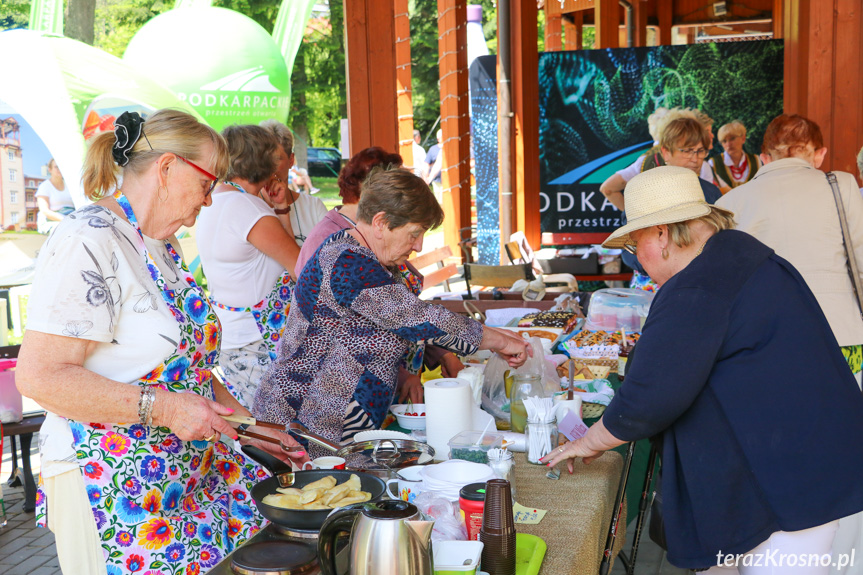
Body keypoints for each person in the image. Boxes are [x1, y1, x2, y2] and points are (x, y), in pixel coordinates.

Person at [16, 110, 304, 575]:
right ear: (168, 168)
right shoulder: (88, 239)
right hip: (108, 483)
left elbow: (189, 371)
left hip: (176, 478)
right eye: (208, 184)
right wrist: (166, 410)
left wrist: (252, 426)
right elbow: (40, 377)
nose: (210, 202)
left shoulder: (160, 244)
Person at [543, 166, 863, 574]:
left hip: (787, 487)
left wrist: (589, 442)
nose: (634, 255)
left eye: (635, 240)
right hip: (796, 469)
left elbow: (651, 395)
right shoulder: (738, 255)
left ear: (661, 234)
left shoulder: (700, 285)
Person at [254, 167, 531, 458]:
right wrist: (502, 341)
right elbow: (419, 318)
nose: (419, 245)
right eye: (414, 234)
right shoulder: (348, 263)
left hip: (334, 424)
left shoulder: (367, 259)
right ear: (381, 223)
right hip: (305, 424)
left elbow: (403, 325)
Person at [296, 147, 465, 402]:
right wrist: (401, 374)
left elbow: (405, 310)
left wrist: (441, 352)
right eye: (397, 186)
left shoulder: (384, 239)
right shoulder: (334, 242)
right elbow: (343, 335)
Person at [196, 124, 307, 410]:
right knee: (275, 425)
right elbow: (300, 268)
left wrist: (280, 210)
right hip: (258, 340)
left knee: (256, 421)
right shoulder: (249, 210)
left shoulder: (213, 202)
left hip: (232, 334)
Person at [621, 116, 722, 291]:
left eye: (700, 151)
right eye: (687, 150)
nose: (695, 159)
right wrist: (657, 265)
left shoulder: (711, 193)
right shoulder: (644, 189)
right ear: (666, 151)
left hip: (700, 283)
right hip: (651, 284)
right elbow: (627, 248)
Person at [600, 107, 715, 210]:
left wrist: (633, 218)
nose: (694, 158)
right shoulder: (702, 166)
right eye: (687, 150)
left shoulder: (645, 162)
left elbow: (608, 189)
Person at [259, 121, 329, 251]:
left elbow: (329, 258)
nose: (268, 167)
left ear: (291, 160)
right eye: (263, 159)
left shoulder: (313, 207)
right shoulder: (249, 207)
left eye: (276, 159)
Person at [709, 120, 761, 193]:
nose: (728, 144)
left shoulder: (756, 160)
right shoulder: (713, 163)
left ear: (743, 138)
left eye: (732, 138)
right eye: (724, 141)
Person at [35, 158, 74, 234]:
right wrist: (65, 219)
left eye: (61, 166)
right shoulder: (44, 186)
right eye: (56, 167)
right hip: (53, 220)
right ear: (50, 170)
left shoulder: (70, 185)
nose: (60, 169)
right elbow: (45, 211)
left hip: (71, 218)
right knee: (66, 231)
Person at [423, 130, 443, 201]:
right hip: (437, 180)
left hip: (449, 180)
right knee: (439, 201)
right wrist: (427, 178)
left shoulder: (448, 148)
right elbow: (427, 164)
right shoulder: (433, 149)